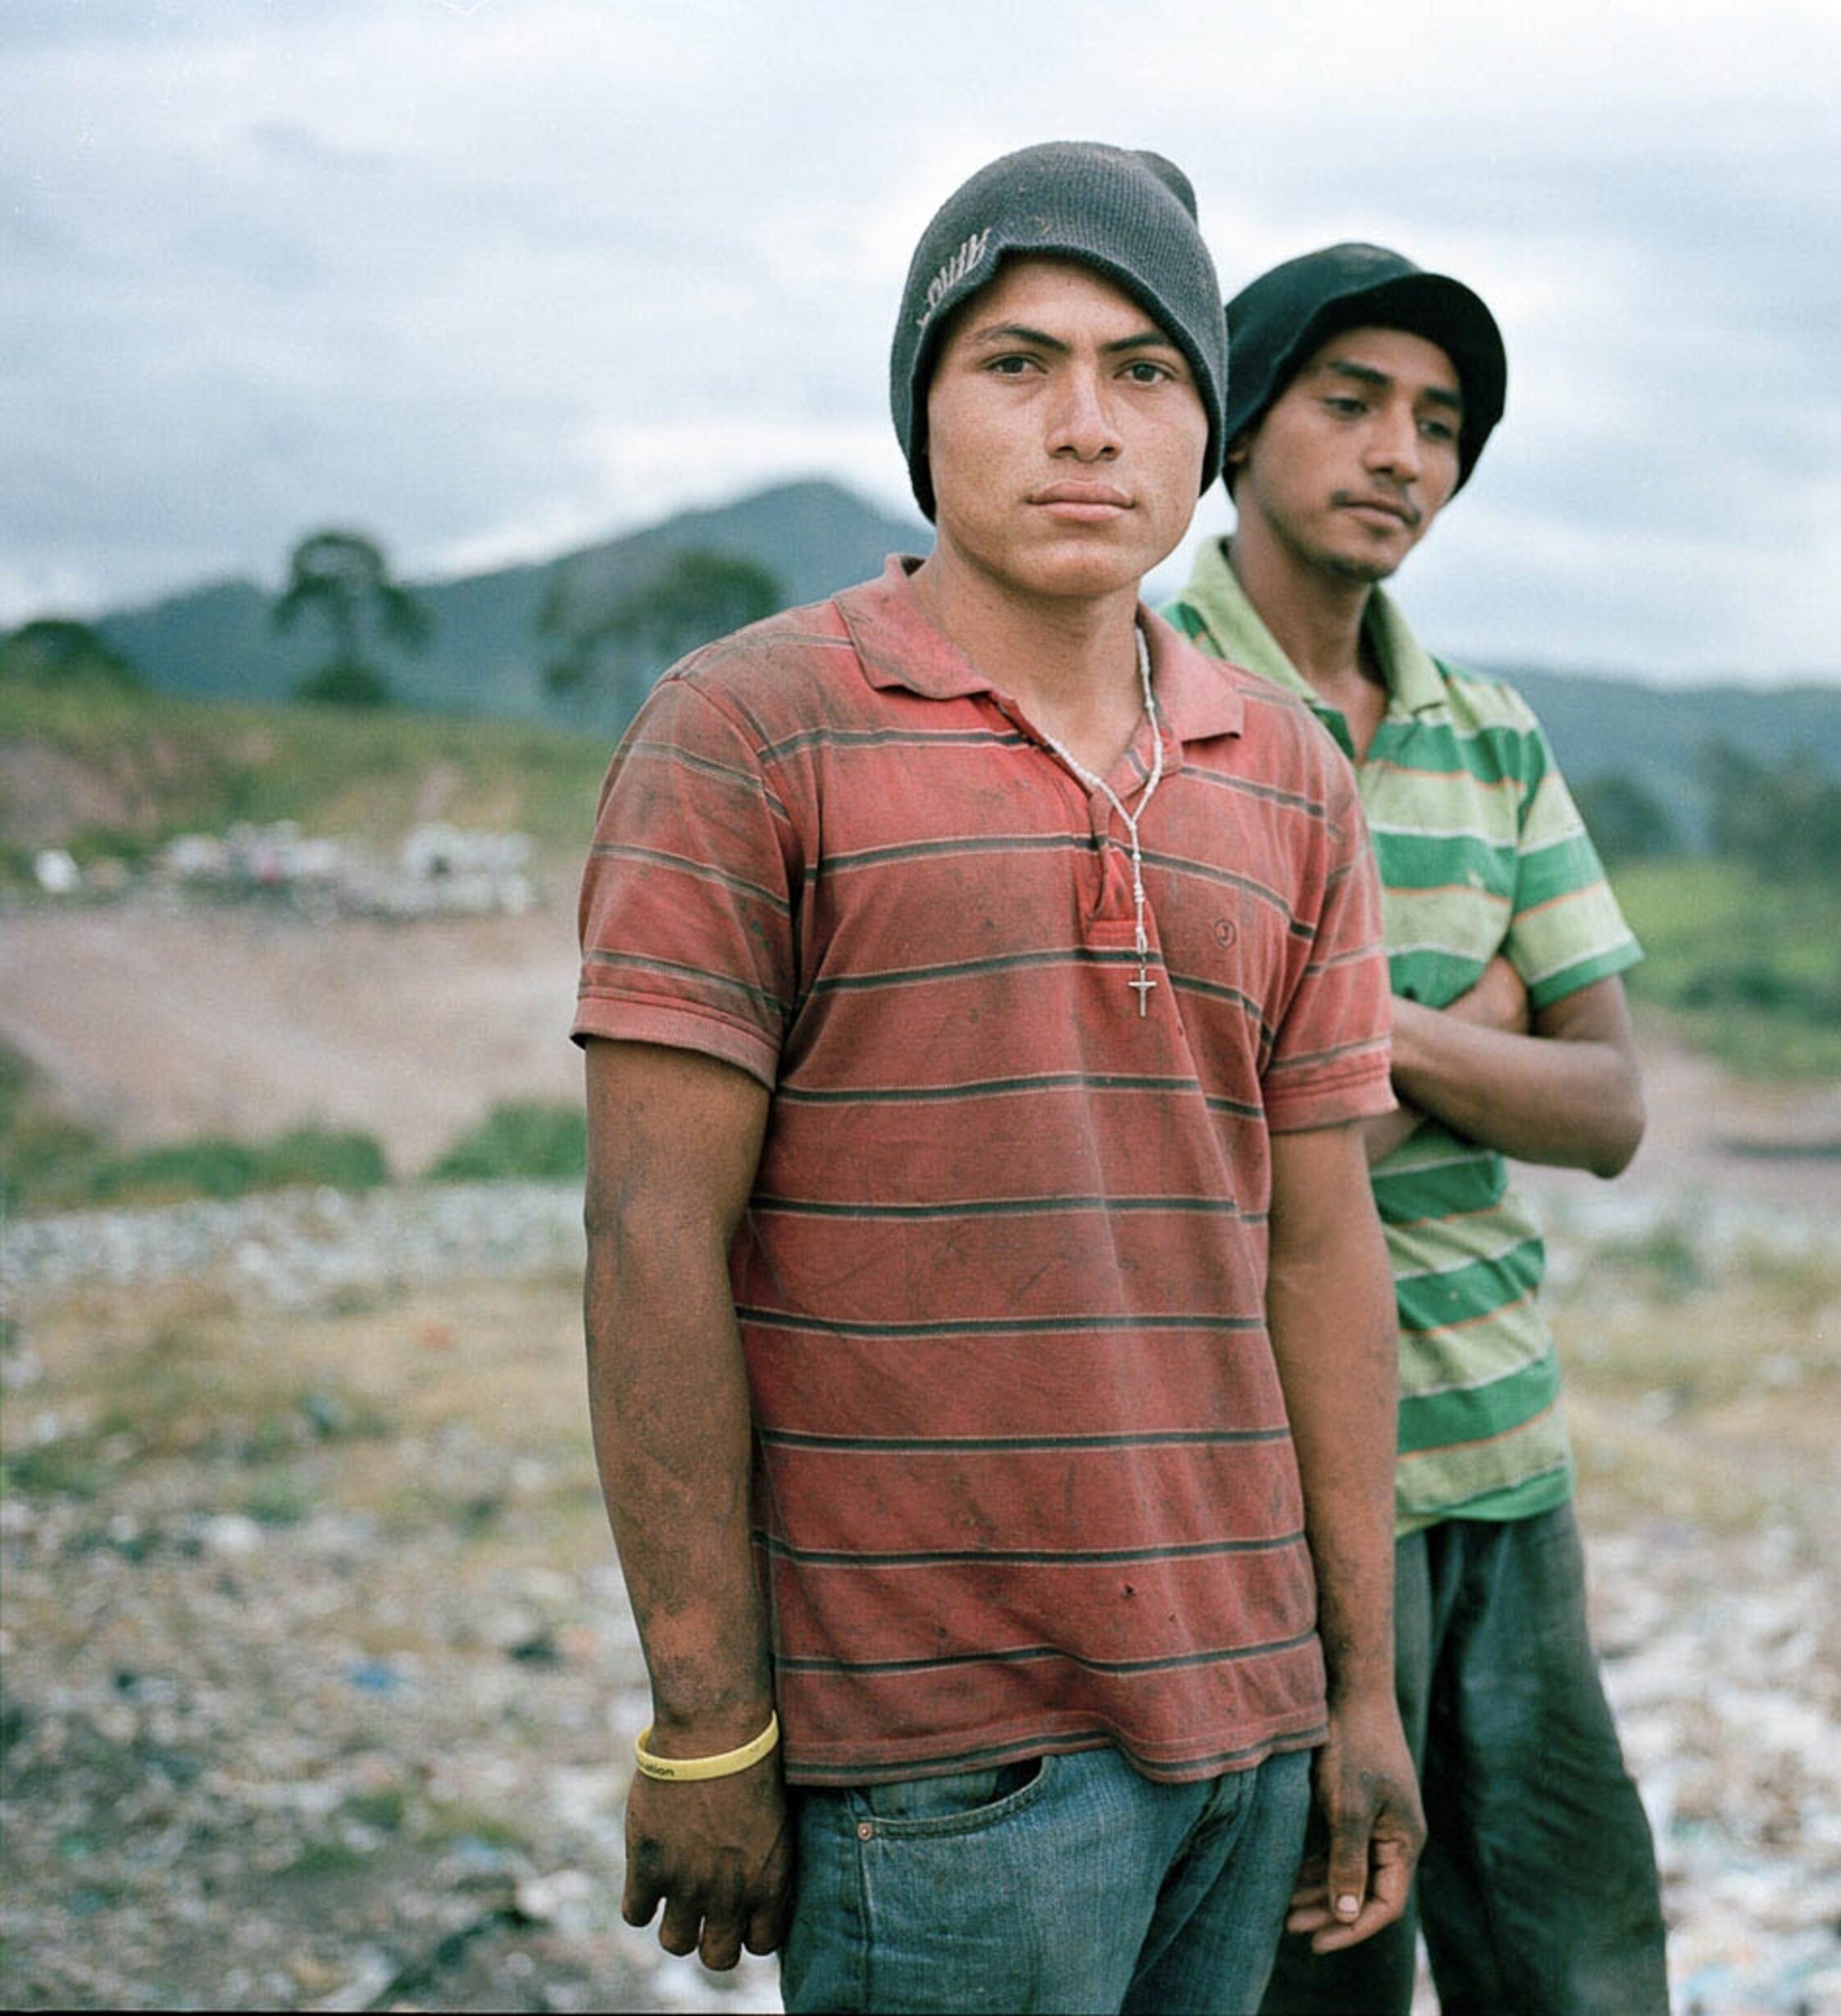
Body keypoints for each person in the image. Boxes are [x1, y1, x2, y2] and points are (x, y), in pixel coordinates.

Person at [573, 148, 1423, 2015]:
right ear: (921, 409)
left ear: (1204, 434)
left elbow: (1323, 1254)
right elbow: (651, 1234)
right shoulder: (749, 729)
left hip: (1245, 1728)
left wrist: (1357, 1692)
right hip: (939, 1763)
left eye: (1144, 374)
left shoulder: (1286, 777)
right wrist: (708, 1719)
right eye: (1016, 364)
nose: (1085, 426)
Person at [1165, 242, 1670, 2016]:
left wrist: (1351, 1033)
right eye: (1353, 402)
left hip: (1504, 1449)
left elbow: (1607, 1112)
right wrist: (1481, 1032)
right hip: (1268, 1474)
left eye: (1441, 426)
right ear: (1235, 428)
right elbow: (1191, 1162)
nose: (1402, 456)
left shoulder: (1491, 734)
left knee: (1582, 1965)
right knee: (1322, 1978)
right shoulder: (1146, 705)